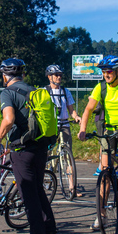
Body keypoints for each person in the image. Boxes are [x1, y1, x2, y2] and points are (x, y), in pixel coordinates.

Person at [0, 58, 57, 234]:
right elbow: (23, 120)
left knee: (28, 194)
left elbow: (8, 119)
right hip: (41, 147)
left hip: (23, 150)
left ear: (4, 76)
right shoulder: (34, 91)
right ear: (22, 75)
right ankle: (50, 233)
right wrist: (0, 131)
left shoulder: (8, 92)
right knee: (38, 190)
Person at [78, 55, 118, 231]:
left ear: (117, 71)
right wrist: (82, 129)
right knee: (105, 171)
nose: (106, 74)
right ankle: (102, 216)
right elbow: (88, 109)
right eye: (104, 72)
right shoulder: (101, 87)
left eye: (109, 71)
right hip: (109, 128)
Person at [44, 64, 82, 197]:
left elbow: (71, 110)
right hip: (50, 126)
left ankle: (72, 188)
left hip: (64, 125)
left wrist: (76, 116)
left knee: (68, 156)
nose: (59, 77)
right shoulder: (44, 92)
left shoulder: (66, 91)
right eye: (56, 75)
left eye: (60, 75)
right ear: (49, 77)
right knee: (46, 154)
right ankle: (44, 177)